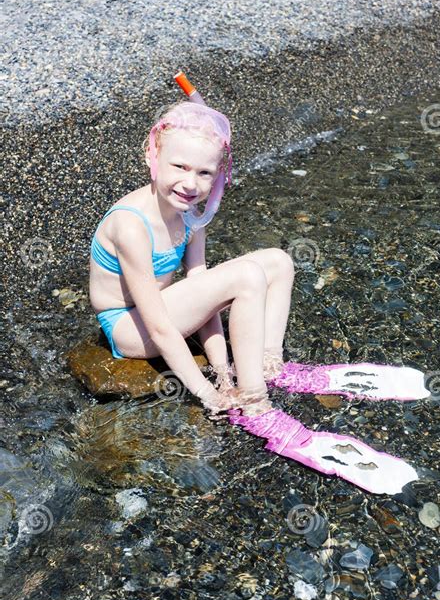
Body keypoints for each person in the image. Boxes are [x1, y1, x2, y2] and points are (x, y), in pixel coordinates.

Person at [89, 101, 295, 416]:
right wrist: (208, 392)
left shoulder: (191, 217)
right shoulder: (131, 226)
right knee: (247, 276)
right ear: (152, 157)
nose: (190, 184)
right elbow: (159, 328)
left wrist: (223, 370)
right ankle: (255, 400)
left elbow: (204, 295)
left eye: (204, 173)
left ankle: (267, 366)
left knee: (278, 262)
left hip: (163, 309)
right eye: (180, 167)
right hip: (128, 327)